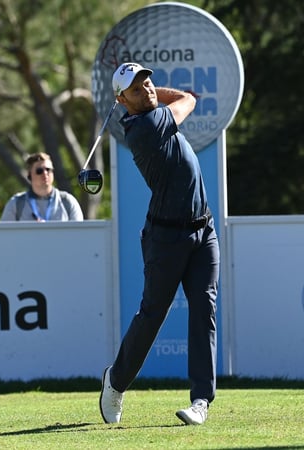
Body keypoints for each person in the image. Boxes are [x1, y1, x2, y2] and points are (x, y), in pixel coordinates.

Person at [99, 62, 220, 426]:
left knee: (204, 309)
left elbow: (174, 99)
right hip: (166, 238)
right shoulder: (146, 127)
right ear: (122, 102)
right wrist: (157, 93)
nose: (148, 90)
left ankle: (201, 400)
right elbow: (188, 98)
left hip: (203, 231)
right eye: (137, 89)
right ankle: (116, 382)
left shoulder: (151, 112)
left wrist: (144, 89)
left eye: (148, 83)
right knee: (152, 316)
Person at [0, 152, 84, 221]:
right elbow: (5, 237)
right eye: (39, 171)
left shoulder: (68, 201)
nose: (45, 173)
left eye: (48, 169)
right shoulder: (16, 203)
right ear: (30, 175)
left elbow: (79, 235)